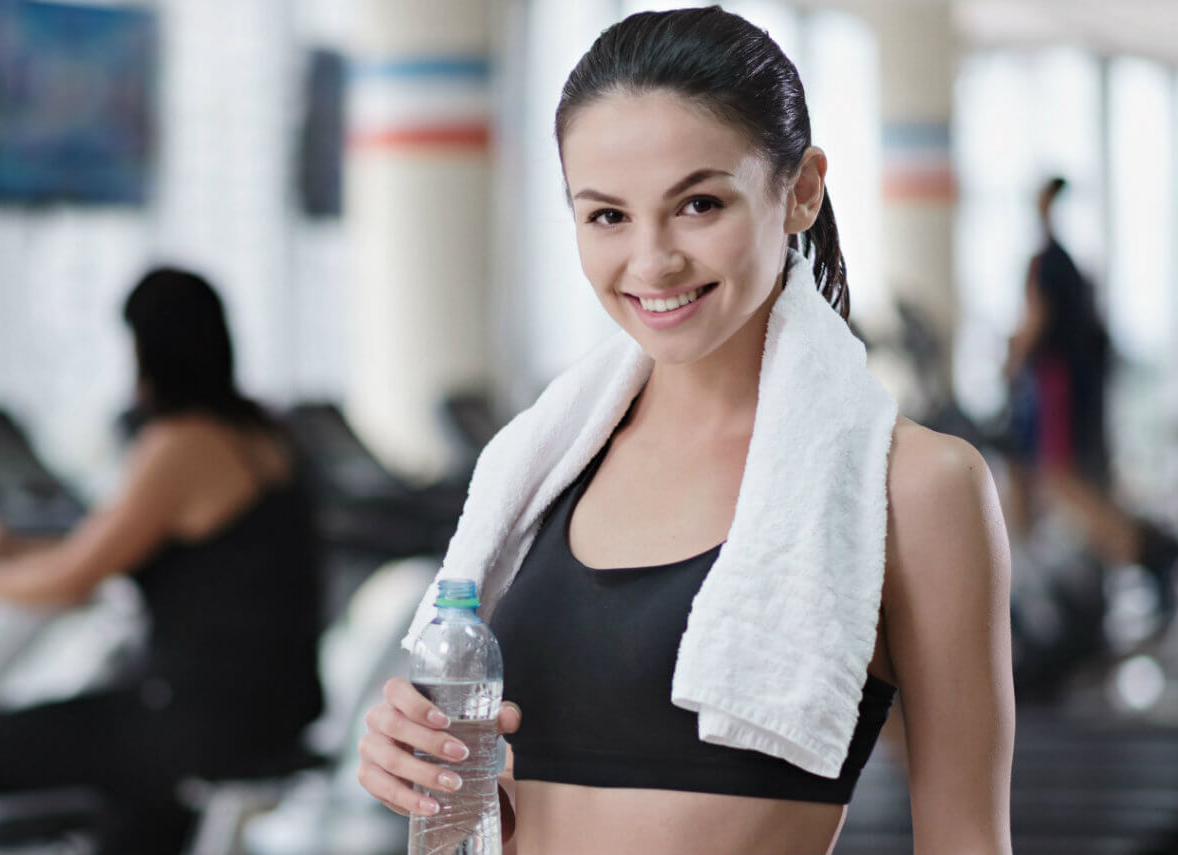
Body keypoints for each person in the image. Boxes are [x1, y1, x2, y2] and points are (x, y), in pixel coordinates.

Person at [355, 8, 1013, 854]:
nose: (652, 260)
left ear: (801, 189)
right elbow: (501, 802)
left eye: (698, 204)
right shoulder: (537, 473)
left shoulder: (915, 487)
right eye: (607, 216)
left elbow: (965, 837)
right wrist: (424, 767)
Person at [0, 267, 325, 853]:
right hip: (270, 709)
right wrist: (7, 549)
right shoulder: (263, 435)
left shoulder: (182, 444)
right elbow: (127, 547)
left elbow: (74, 577)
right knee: (125, 787)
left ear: (146, 351)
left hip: (199, 720)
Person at [1004, 177, 1178, 611]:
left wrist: (1011, 361)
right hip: (1068, 383)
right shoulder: (1066, 262)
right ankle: (1021, 586)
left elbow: (1036, 319)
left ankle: (1146, 556)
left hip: (1055, 382)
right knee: (1027, 480)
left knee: (1059, 480)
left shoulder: (1049, 261)